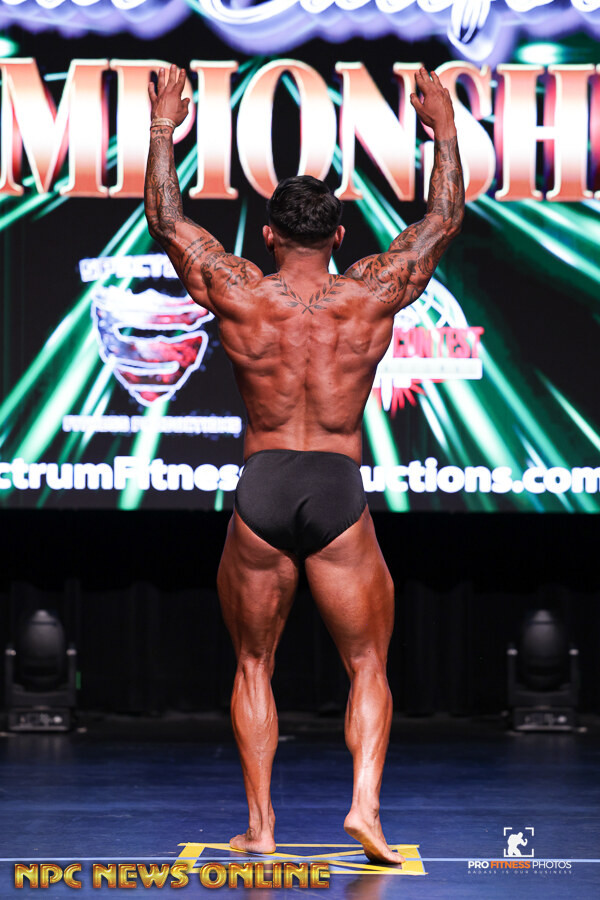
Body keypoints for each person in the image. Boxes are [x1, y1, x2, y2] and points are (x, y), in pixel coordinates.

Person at [144, 64, 464, 865]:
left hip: (262, 485)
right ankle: (365, 811)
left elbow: (166, 219)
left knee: (255, 661)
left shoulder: (239, 290)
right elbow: (443, 219)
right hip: (334, 486)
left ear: (269, 235)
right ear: (340, 237)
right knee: (367, 662)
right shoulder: (372, 293)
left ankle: (261, 828)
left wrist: (162, 127)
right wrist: (444, 128)